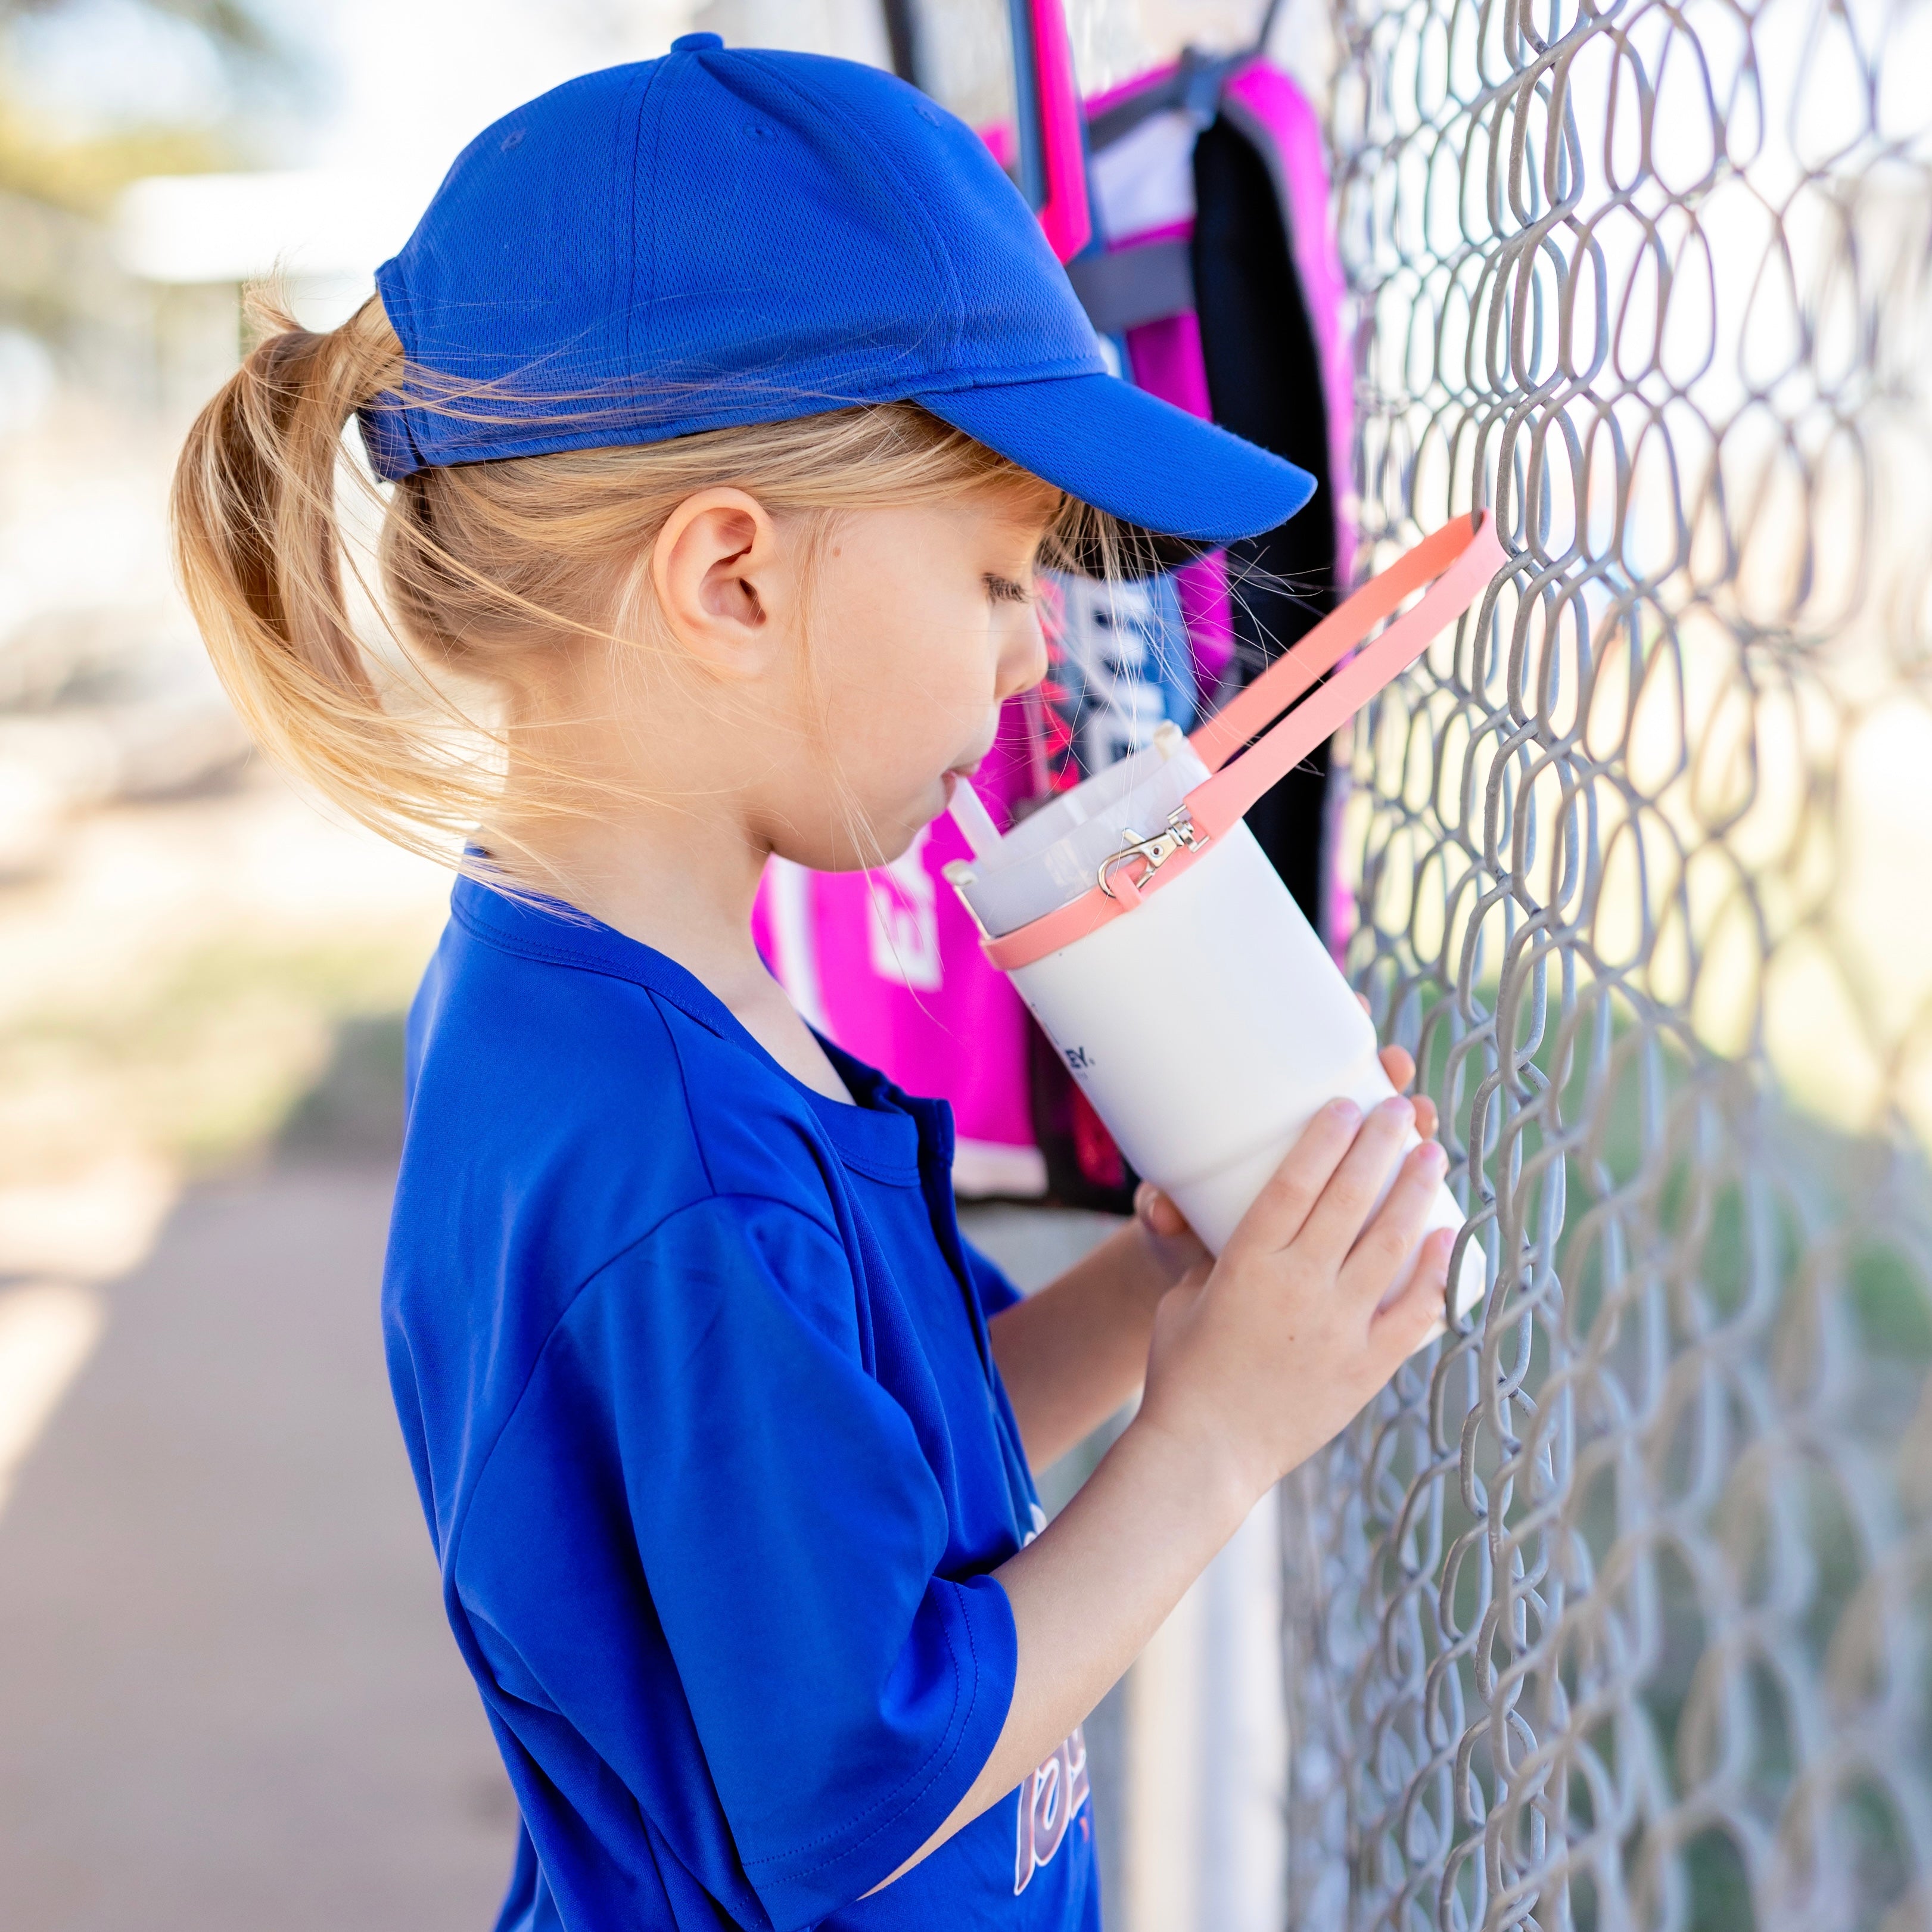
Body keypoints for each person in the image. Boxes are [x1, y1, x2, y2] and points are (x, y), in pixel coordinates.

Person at [170, 37, 1453, 1932]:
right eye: (1004, 579)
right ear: (733, 583)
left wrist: (1163, 1293)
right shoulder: (668, 1147)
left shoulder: (624, 1003)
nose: (1034, 662)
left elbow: (849, 1485)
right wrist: (1214, 1438)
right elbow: (862, 1778)